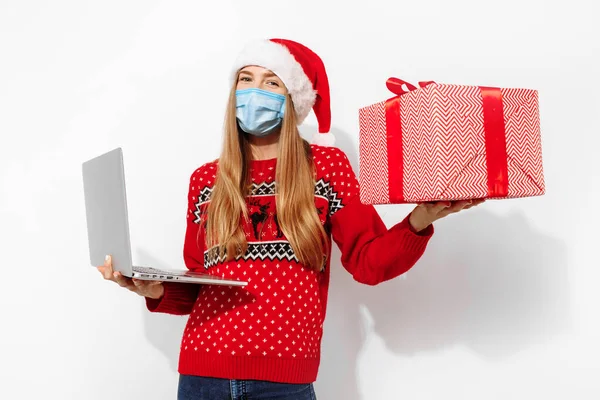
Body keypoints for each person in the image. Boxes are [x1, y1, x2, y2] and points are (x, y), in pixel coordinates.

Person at [97, 38, 483, 399]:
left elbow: (368, 262)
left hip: (283, 383)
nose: (253, 91)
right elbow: (201, 282)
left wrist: (418, 219)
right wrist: (154, 290)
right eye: (245, 79)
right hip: (202, 374)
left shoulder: (327, 167)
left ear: (292, 99)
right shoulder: (206, 180)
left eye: (271, 82)